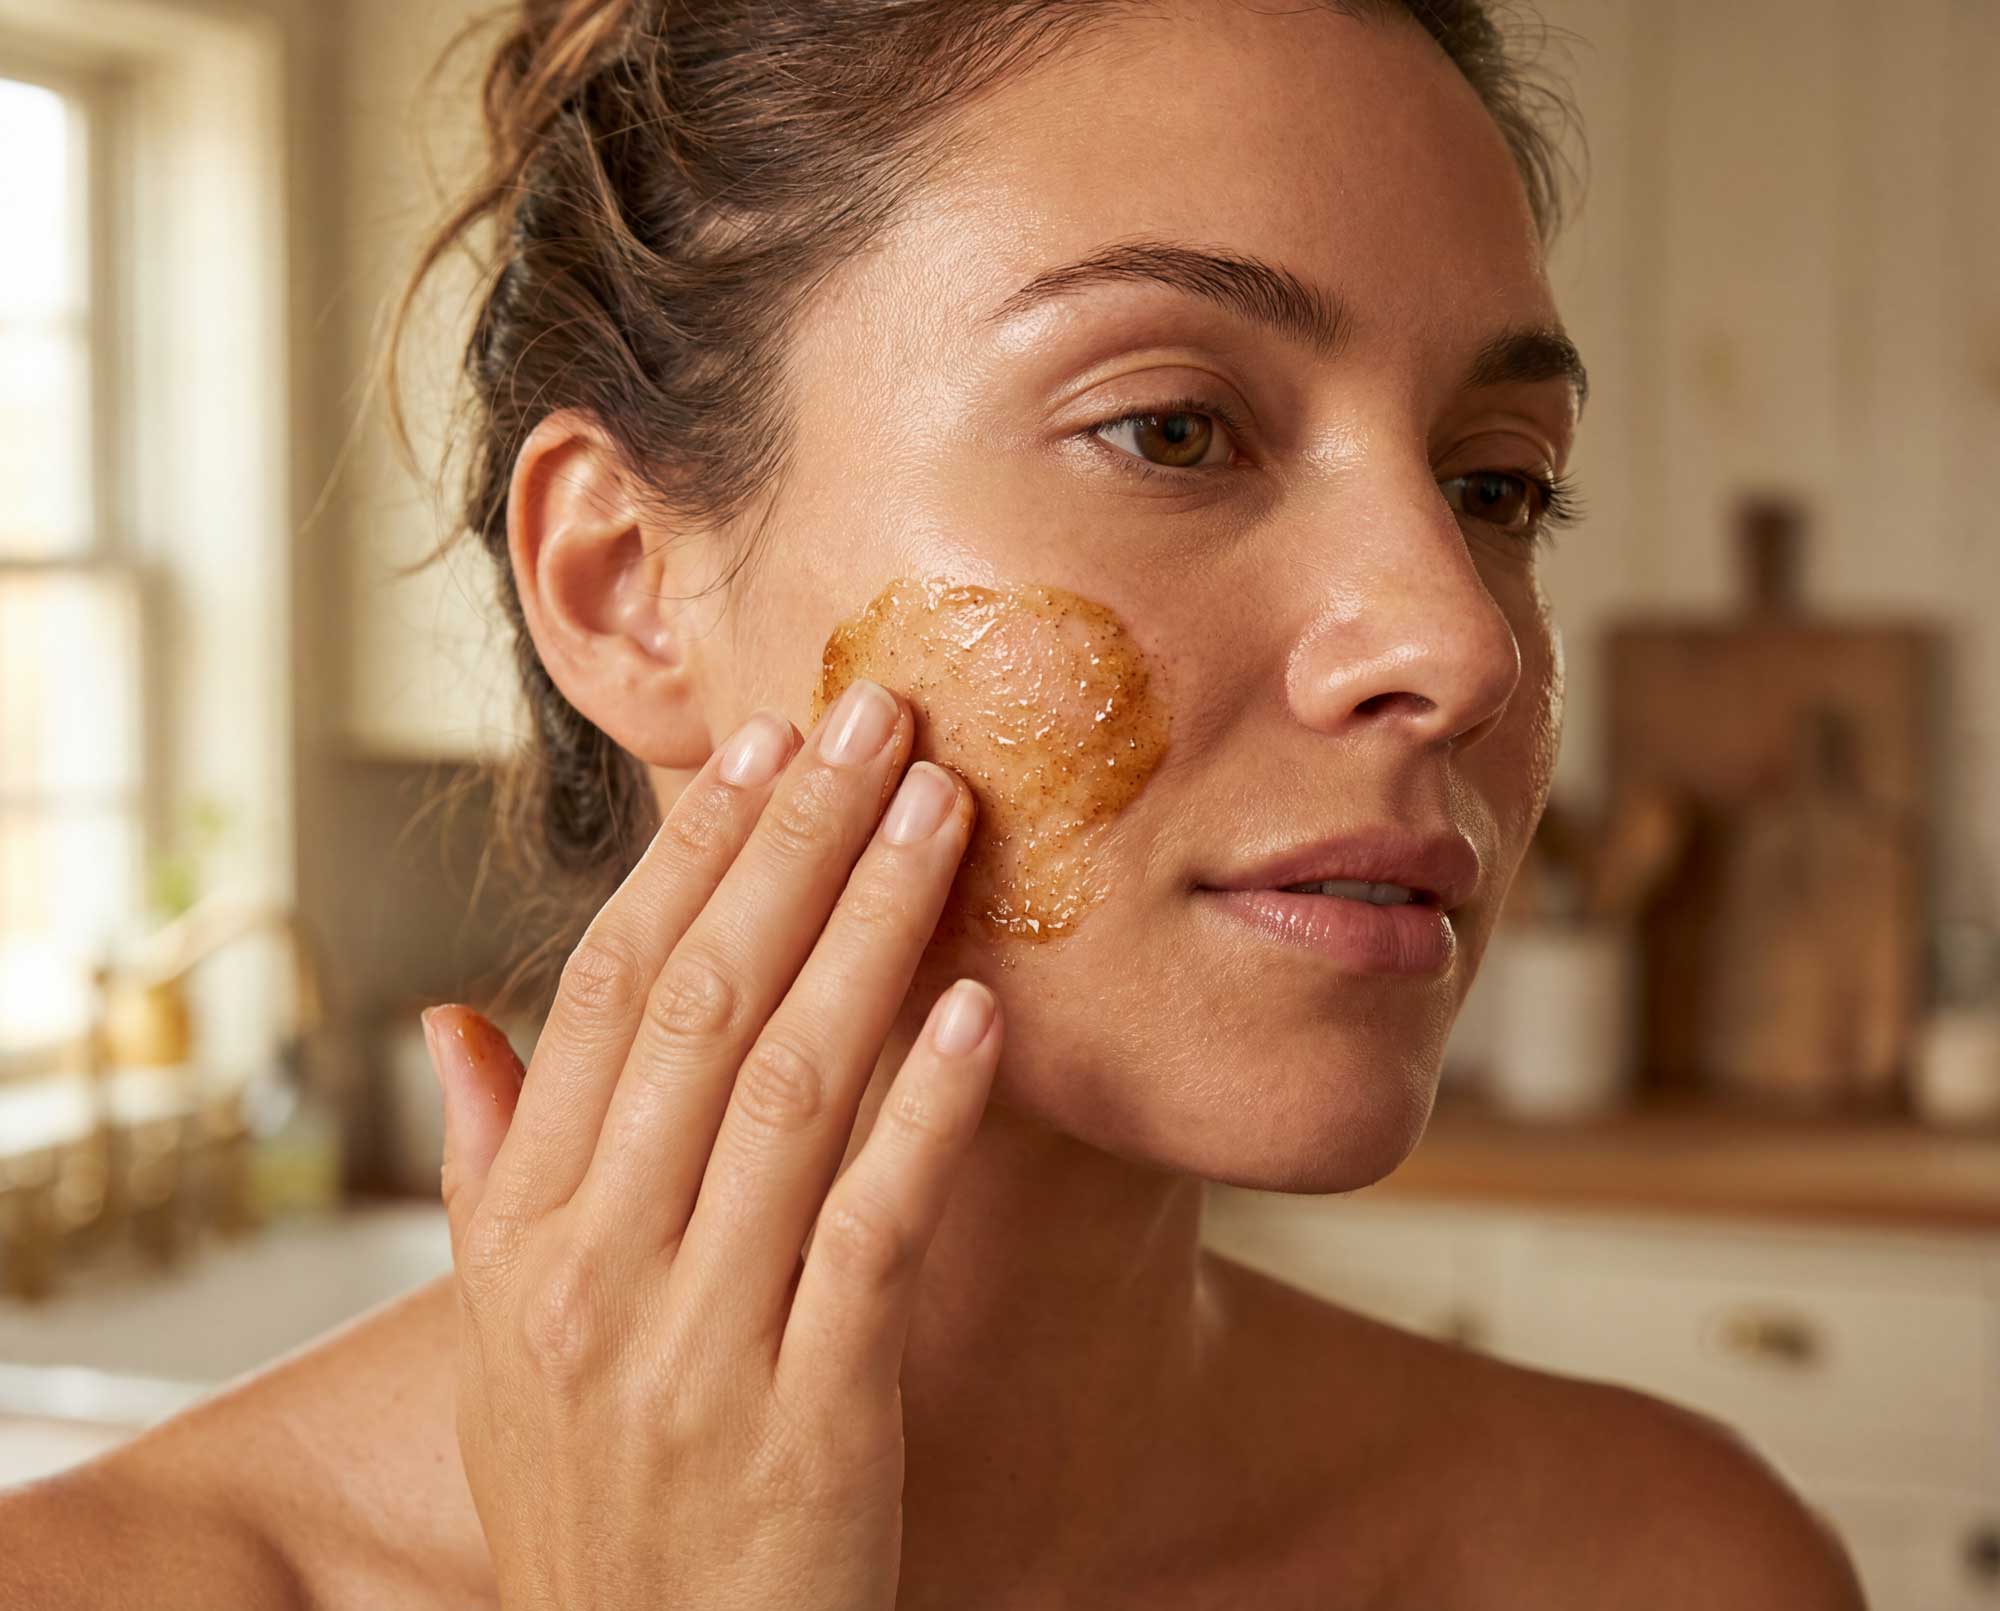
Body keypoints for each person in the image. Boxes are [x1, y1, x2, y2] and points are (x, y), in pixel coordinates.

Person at [3, 1, 1868, 1604]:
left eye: (1497, 484)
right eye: (1172, 427)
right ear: (625, 583)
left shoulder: (1671, 1570)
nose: (1462, 644)